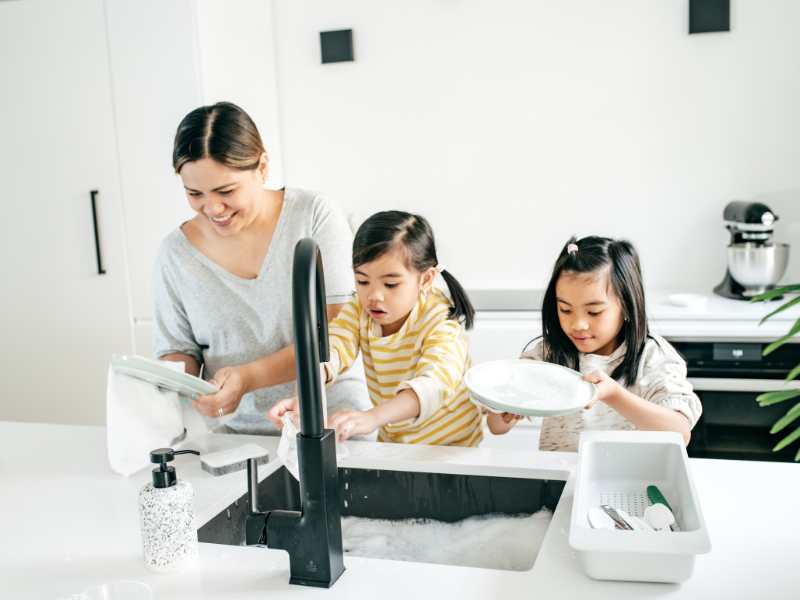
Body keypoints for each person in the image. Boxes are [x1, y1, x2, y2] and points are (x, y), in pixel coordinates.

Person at [153, 101, 369, 434]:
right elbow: (178, 351)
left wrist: (248, 377)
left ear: (263, 167)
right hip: (238, 436)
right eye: (194, 193)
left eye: (226, 190)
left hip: (334, 425)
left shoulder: (313, 216)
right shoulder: (175, 254)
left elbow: (339, 327)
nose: (212, 207)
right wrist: (178, 386)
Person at [269, 211, 483, 446]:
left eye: (390, 284)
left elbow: (435, 384)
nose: (374, 296)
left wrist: (372, 417)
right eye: (362, 281)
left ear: (426, 279)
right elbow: (335, 347)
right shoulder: (359, 310)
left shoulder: (440, 321)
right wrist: (305, 395)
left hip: (453, 449)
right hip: (395, 444)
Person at [487, 236, 701, 452]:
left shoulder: (653, 357)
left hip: (627, 481)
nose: (578, 324)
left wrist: (614, 395)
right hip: (559, 478)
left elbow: (680, 433)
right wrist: (504, 409)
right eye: (566, 310)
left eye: (594, 312)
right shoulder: (548, 354)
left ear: (626, 305)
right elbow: (496, 427)